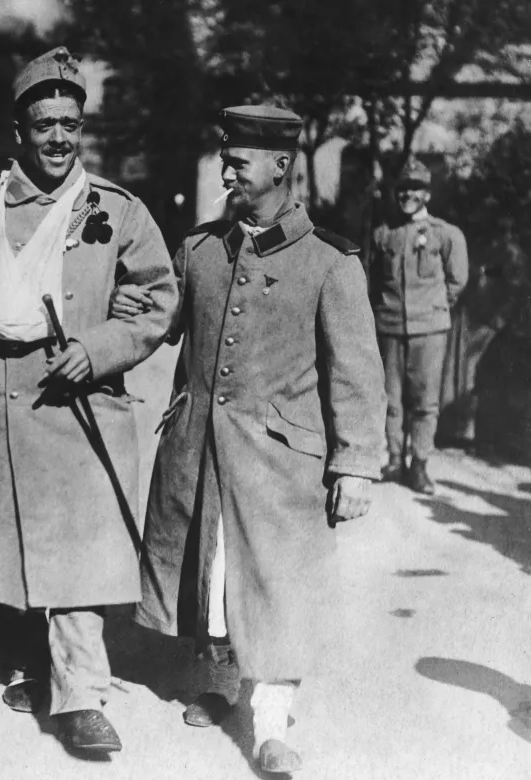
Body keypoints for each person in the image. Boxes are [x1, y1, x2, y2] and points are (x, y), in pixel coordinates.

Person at [0, 47, 178, 753]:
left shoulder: (116, 210)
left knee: (77, 557)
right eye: (44, 124)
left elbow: (157, 298)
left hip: (81, 409)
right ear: (18, 131)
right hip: (1, 409)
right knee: (13, 541)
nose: (59, 138)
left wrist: (100, 346)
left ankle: (82, 694)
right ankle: (28, 660)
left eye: (70, 124)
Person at [127, 106, 385, 774]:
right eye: (225, 160)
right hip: (200, 450)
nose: (226, 173)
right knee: (210, 569)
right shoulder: (200, 250)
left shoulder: (330, 261)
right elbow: (151, 320)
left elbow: (357, 373)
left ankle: (269, 725)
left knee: (277, 584)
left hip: (280, 464)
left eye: (238, 162)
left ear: (280, 165)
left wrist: (355, 465)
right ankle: (218, 682)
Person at [370, 158, 469, 494]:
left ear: (427, 194)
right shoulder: (384, 233)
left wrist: (432, 309)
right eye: (403, 189)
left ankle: (420, 464)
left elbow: (457, 281)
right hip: (390, 325)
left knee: (425, 401)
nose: (408, 195)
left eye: (416, 188)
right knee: (391, 397)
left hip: (429, 329)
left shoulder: (445, 234)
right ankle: (395, 458)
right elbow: (373, 279)